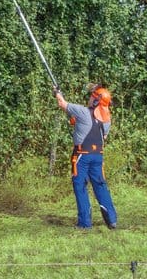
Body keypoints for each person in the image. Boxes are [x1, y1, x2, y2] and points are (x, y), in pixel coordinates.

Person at [53, 83, 117, 229]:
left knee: (80, 186)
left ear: (95, 100)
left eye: (92, 96)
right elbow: (103, 137)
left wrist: (57, 92)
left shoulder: (82, 112)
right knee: (100, 186)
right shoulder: (106, 120)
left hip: (82, 156)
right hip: (98, 156)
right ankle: (112, 220)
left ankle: (85, 223)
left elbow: (62, 104)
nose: (89, 98)